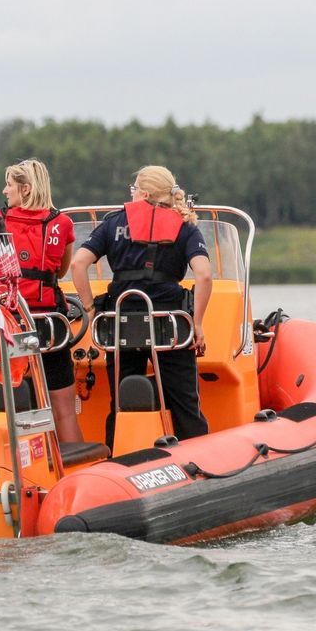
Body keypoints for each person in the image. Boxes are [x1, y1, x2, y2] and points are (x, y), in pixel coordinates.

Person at [69, 165, 212, 448]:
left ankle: (118, 459)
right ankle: (195, 460)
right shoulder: (185, 227)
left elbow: (78, 264)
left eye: (133, 189)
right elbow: (204, 275)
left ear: (144, 193)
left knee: (121, 402)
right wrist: (197, 324)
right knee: (185, 404)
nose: (131, 193)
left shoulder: (112, 223)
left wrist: (89, 307)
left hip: (121, 326)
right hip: (171, 328)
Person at [0, 159, 83, 443]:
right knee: (64, 410)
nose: (4, 191)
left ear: (24, 189)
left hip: (11, 324)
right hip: (51, 325)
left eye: (9, 185)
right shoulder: (61, 223)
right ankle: (75, 467)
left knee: (11, 405)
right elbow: (60, 270)